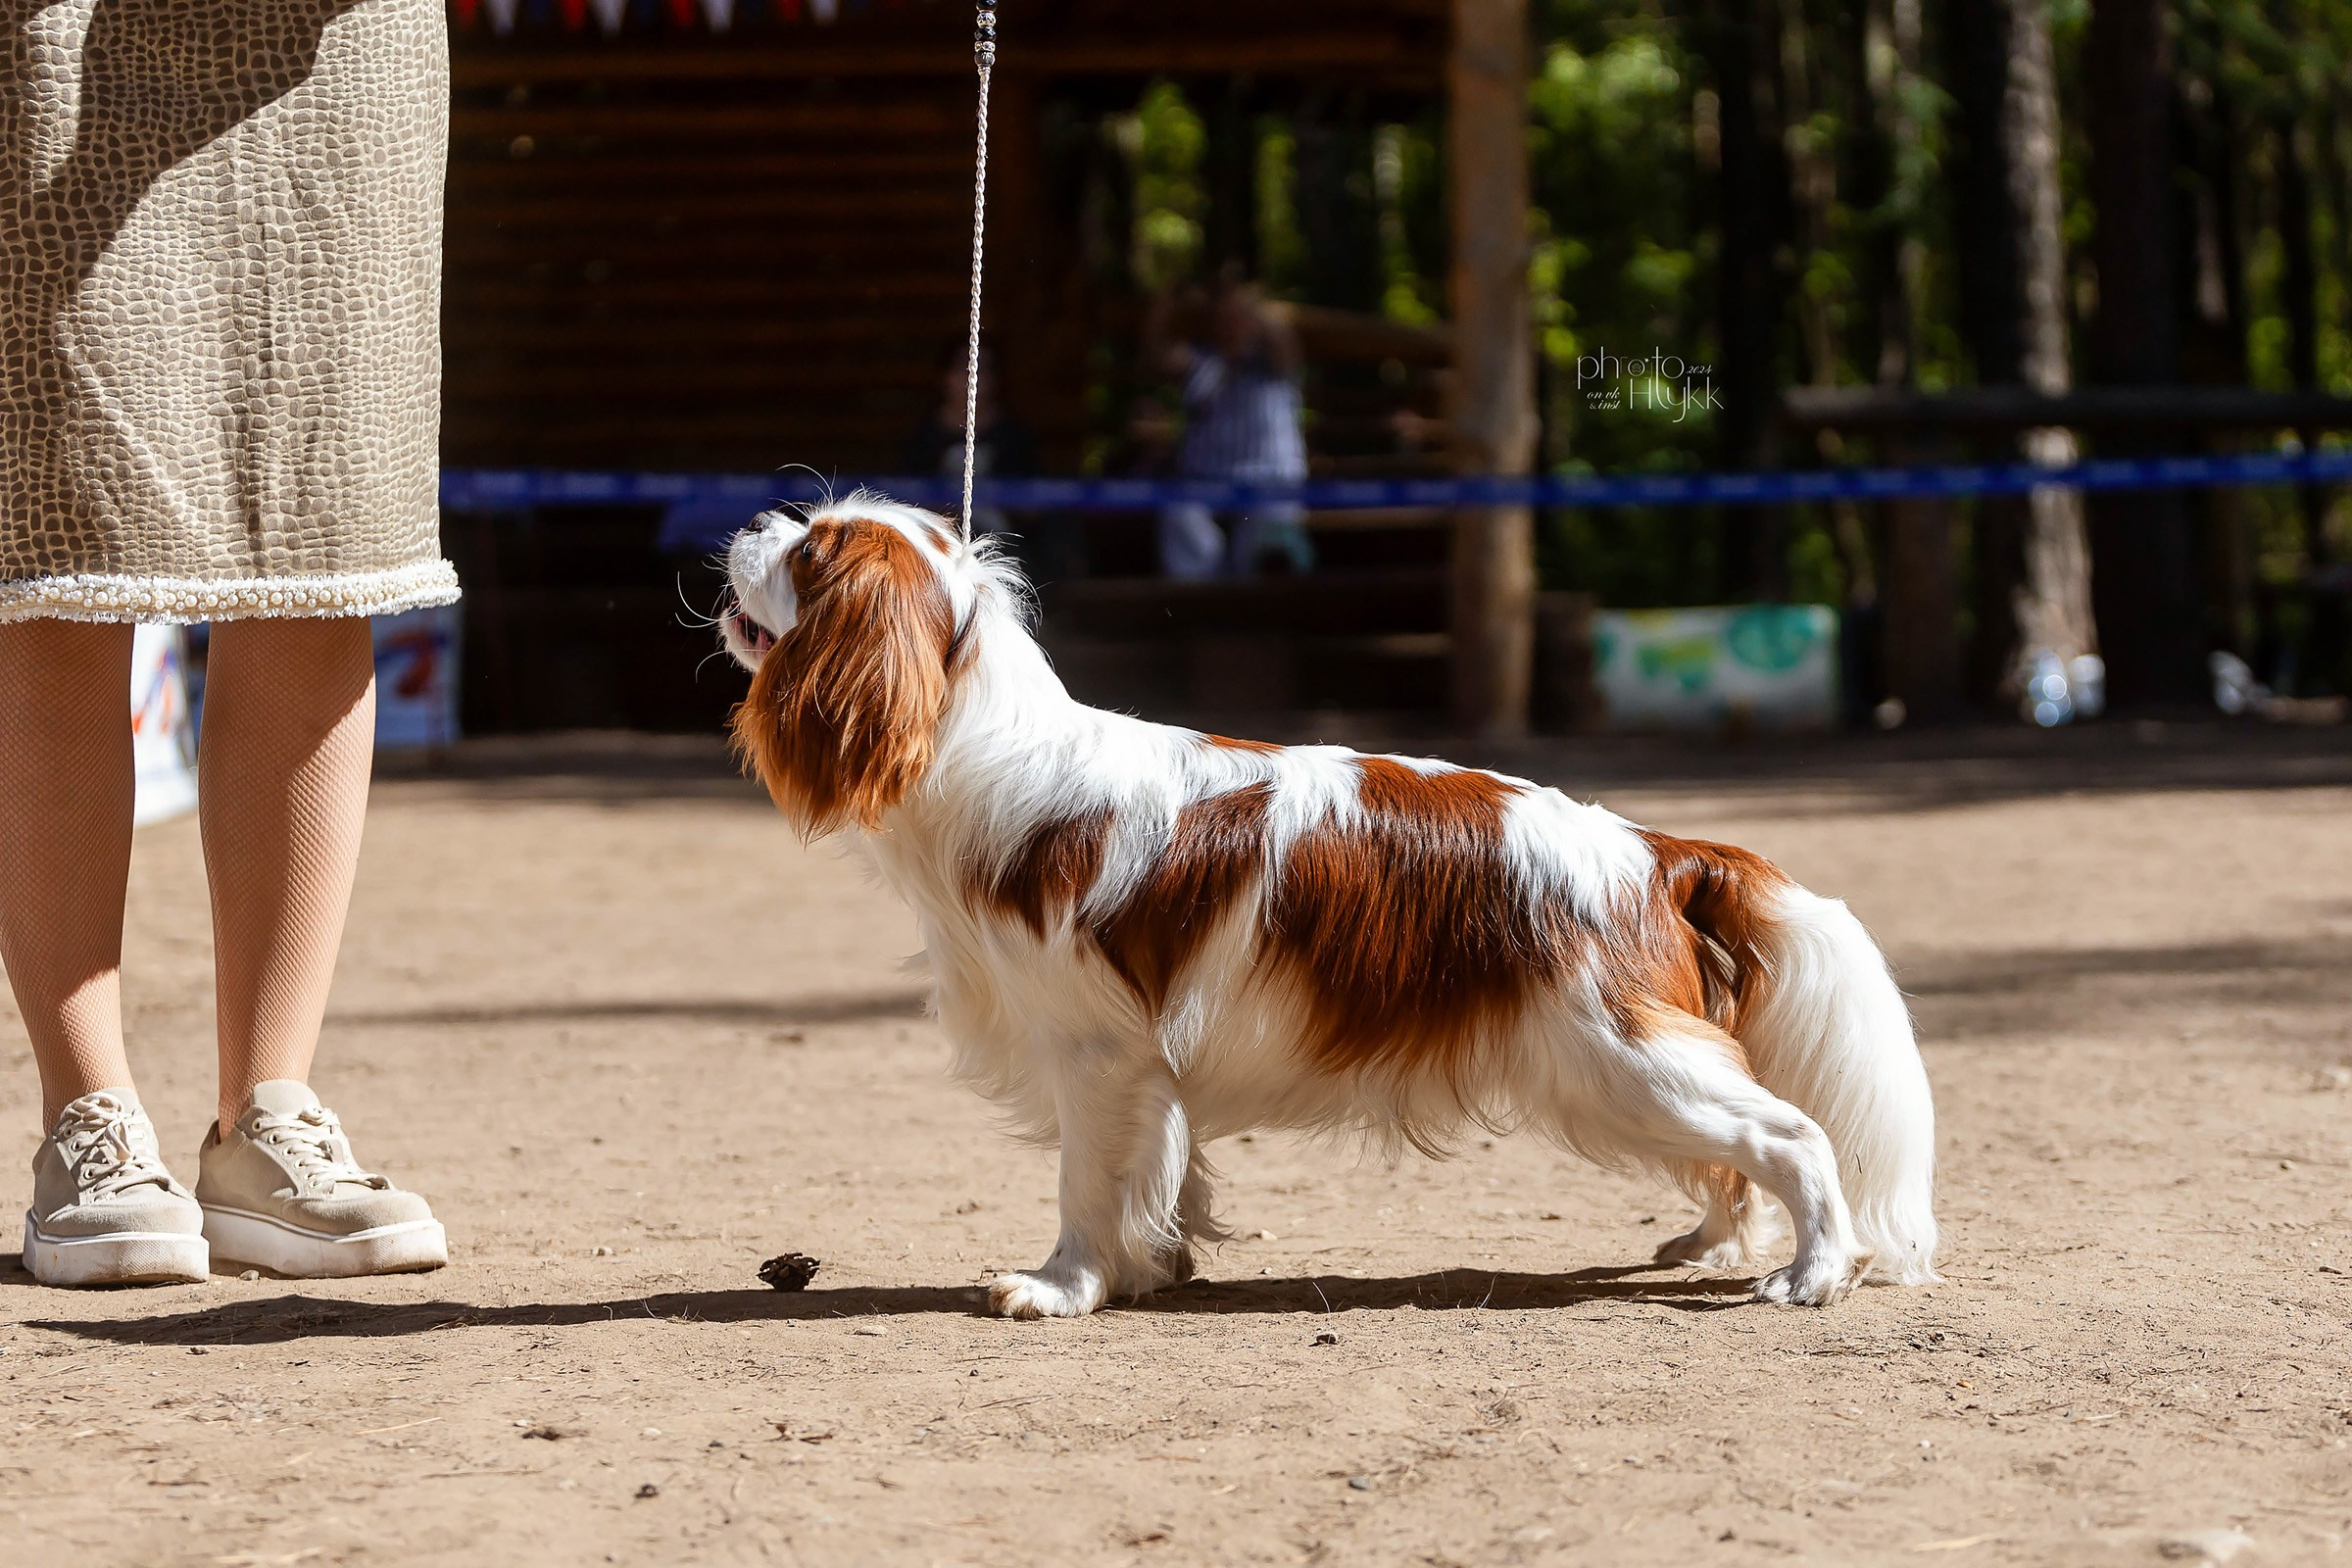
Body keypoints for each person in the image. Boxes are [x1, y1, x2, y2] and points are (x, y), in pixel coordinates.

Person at [0, 2, 456, 1286]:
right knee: (59, 542)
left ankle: (269, 1118)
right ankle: (85, 1123)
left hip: (333, 36)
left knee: (326, 528)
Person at [1145, 275, 1317, 580]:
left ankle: (1258, 607)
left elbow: (1285, 343)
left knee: (1267, 548)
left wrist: (1251, 305)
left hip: (1270, 482)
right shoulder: (1202, 361)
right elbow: (1160, 355)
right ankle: (1198, 602)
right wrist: (1168, 302)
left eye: (1239, 318)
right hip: (1204, 481)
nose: (1232, 326)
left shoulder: (1276, 362)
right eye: (1224, 319)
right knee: (1180, 516)